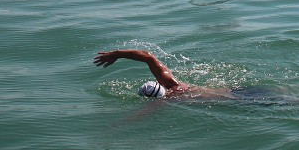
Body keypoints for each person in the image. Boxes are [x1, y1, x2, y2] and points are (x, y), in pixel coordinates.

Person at [93, 49, 228, 99]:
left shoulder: (165, 99)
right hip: (232, 92)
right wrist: (117, 54)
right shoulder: (171, 82)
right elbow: (148, 56)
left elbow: (141, 115)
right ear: (158, 83)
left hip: (232, 101)